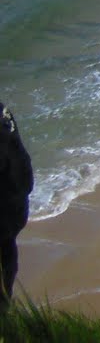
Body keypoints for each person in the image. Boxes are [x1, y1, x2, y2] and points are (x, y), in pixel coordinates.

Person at [0, 101, 32, 308]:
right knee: (7, 248)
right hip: (16, 197)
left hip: (8, 202)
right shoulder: (2, 112)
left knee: (6, 248)